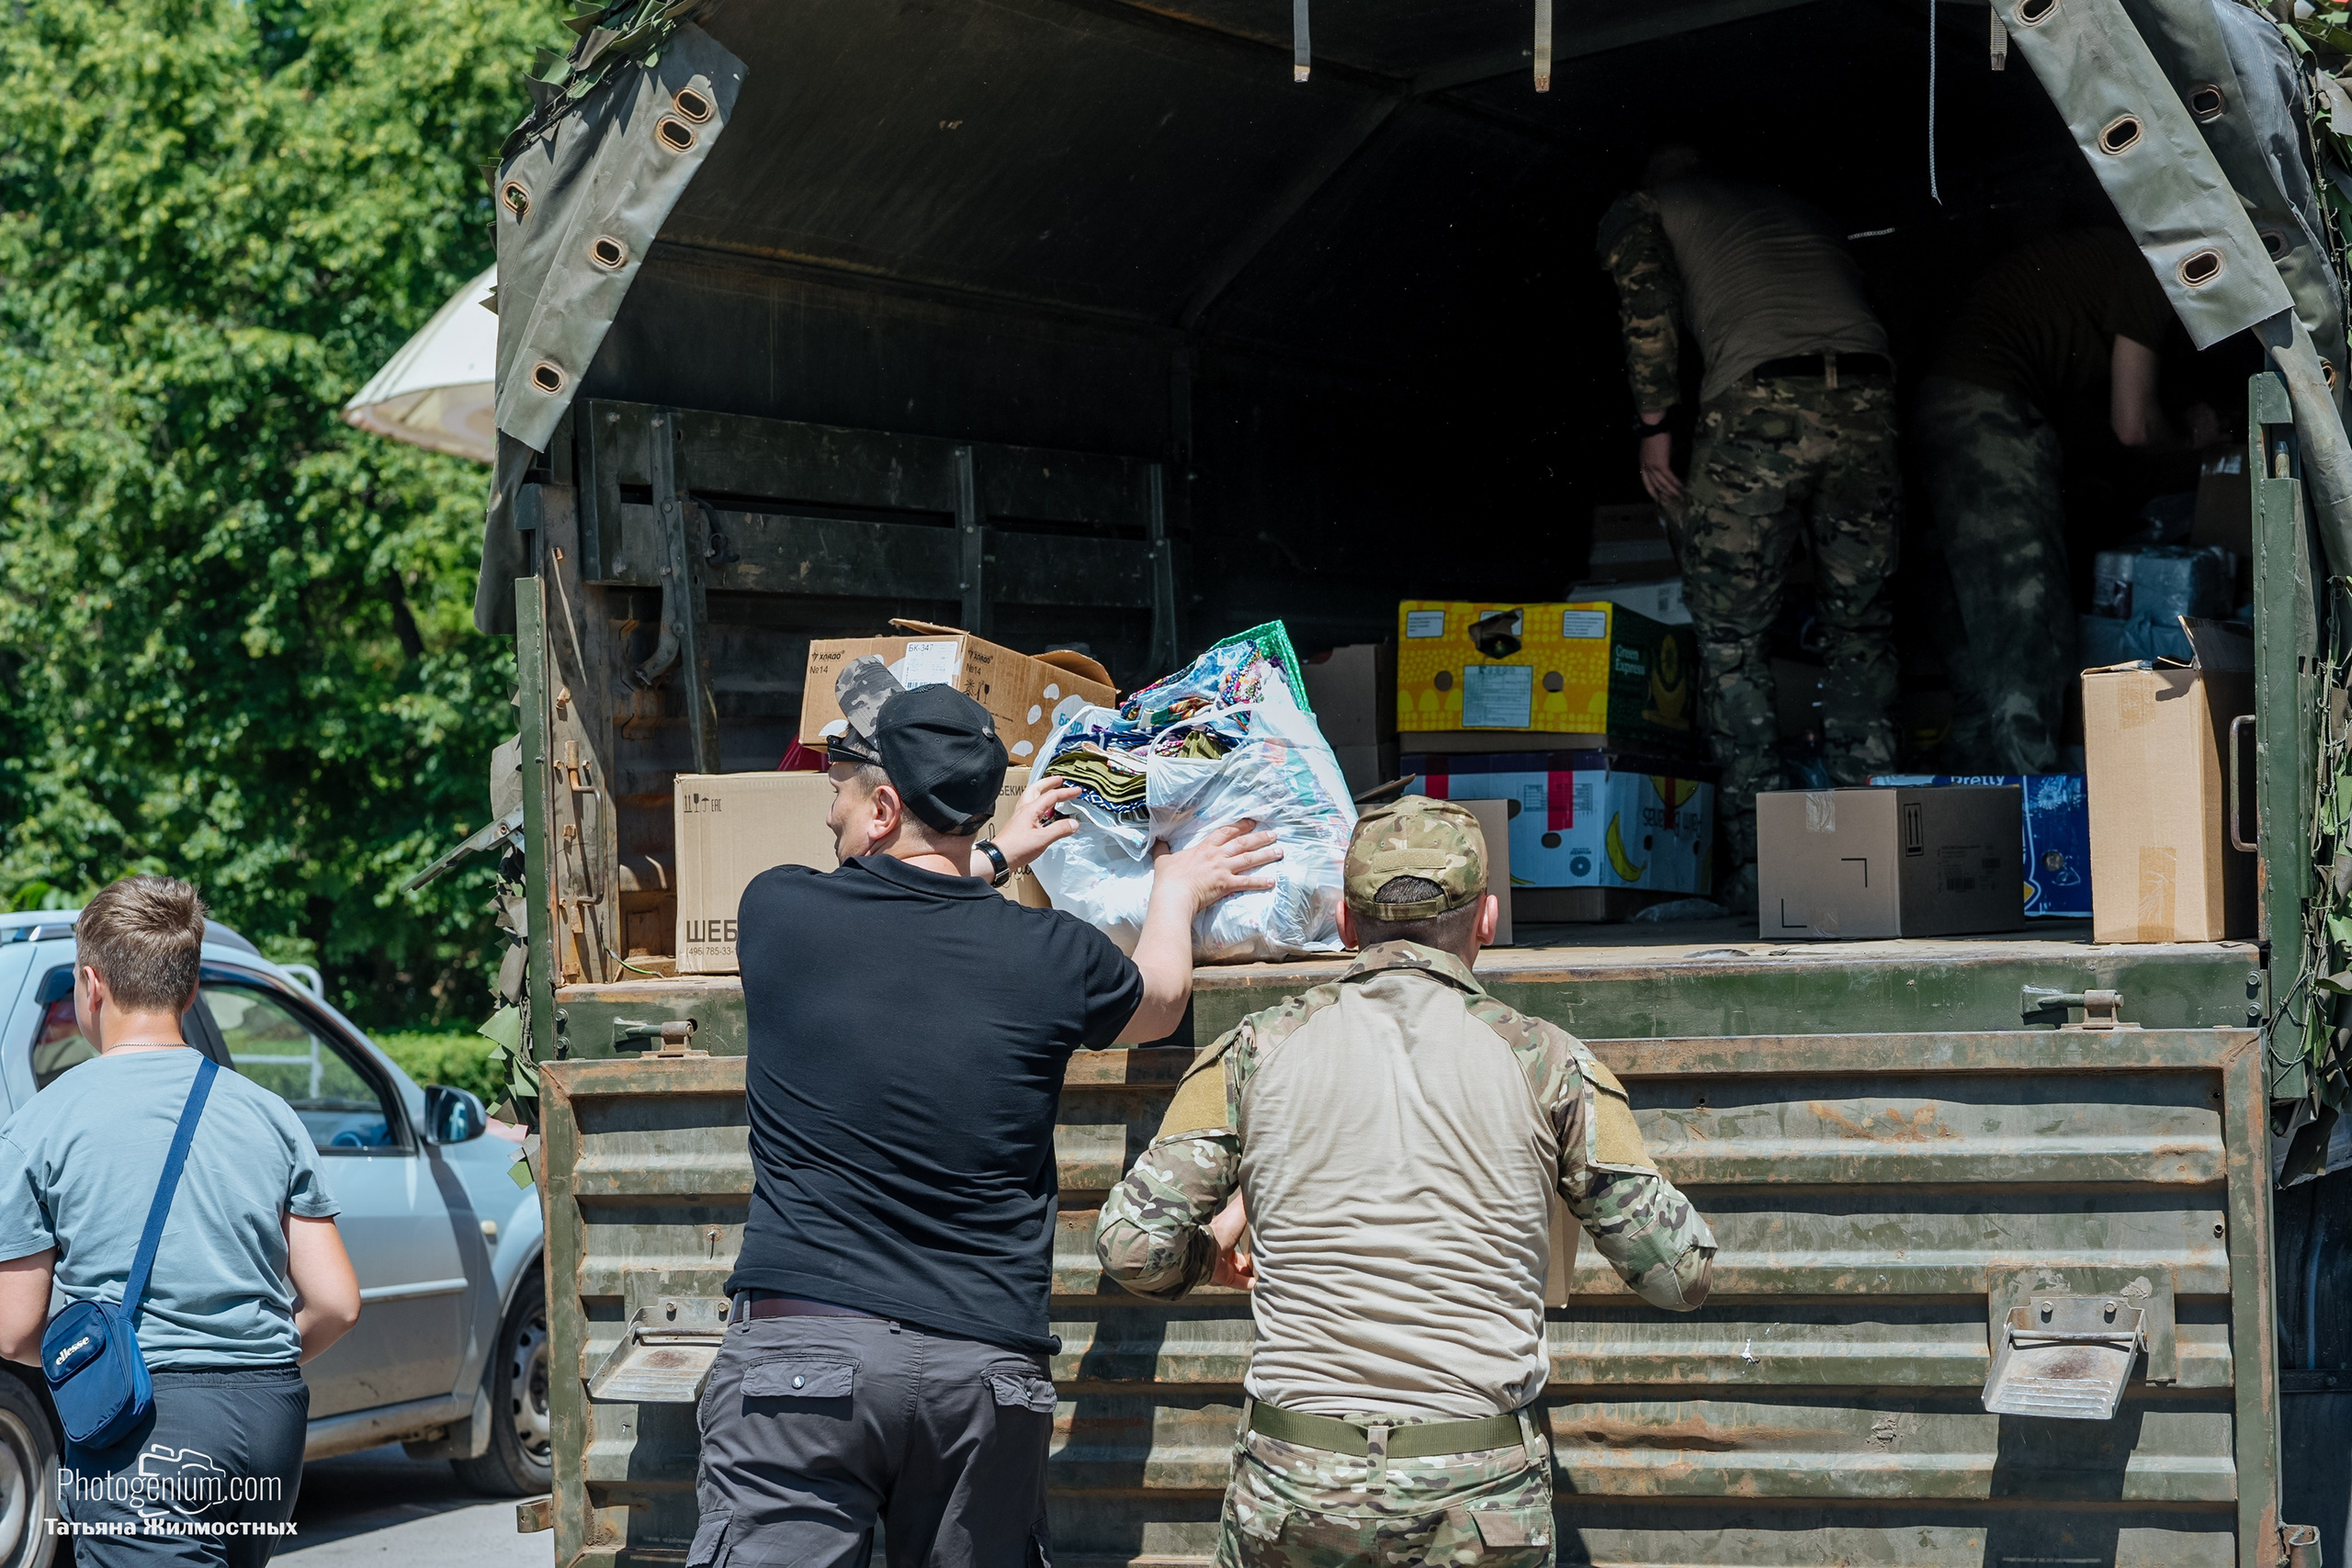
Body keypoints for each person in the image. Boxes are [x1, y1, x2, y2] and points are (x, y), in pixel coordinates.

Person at [695, 658, 1281, 1568]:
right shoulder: (1049, 956)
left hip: (802, 1361)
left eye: (843, 794)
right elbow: (1160, 1000)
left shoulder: (778, 913)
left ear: (887, 808)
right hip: (983, 1373)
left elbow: (910, 905)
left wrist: (993, 857)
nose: (829, 811)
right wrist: (1175, 892)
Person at [1094, 796, 1716, 1568]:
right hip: (1478, 1494)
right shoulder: (1551, 1065)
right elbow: (1678, 1272)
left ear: (1348, 927)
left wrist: (1206, 1254)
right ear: (1486, 919)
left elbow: (1130, 1247)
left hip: (1294, 1486)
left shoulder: (1253, 1052)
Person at [0, 874, 360, 1568]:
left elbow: (15, 1329)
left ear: (90, 984)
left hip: (147, 1433)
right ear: (190, 990)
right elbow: (338, 1303)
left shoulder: (38, 1127)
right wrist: (249, 1359)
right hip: (270, 1425)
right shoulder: (269, 1115)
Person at [1598, 145, 1902, 911]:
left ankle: (1768, 872)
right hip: (1869, 393)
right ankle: (1867, 856)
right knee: (1860, 627)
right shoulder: (1793, 207)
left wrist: (1654, 423)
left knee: (1731, 640)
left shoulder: (1646, 208)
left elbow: (1647, 309)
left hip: (1759, 399)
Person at [1915, 226, 2199, 773]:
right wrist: (2196, 444)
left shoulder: (2090, 269)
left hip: (1935, 412)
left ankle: (1980, 826)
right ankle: (2041, 822)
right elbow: (2133, 425)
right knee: (2030, 635)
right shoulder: (2154, 266)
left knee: (1979, 665)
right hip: (1986, 416)